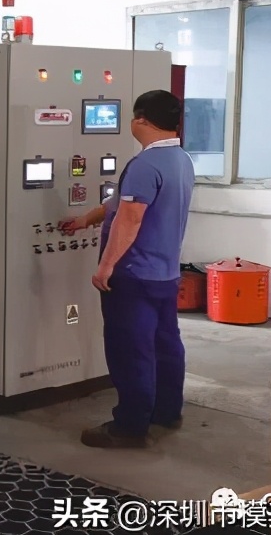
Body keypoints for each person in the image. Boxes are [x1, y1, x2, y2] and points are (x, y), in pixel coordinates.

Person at [58, 89, 195, 449]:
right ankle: (166, 411)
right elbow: (118, 204)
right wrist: (86, 219)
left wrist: (106, 267)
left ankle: (130, 427)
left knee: (130, 350)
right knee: (165, 344)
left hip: (133, 275)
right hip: (165, 274)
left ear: (140, 120)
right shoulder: (181, 159)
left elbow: (130, 218)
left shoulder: (144, 165)